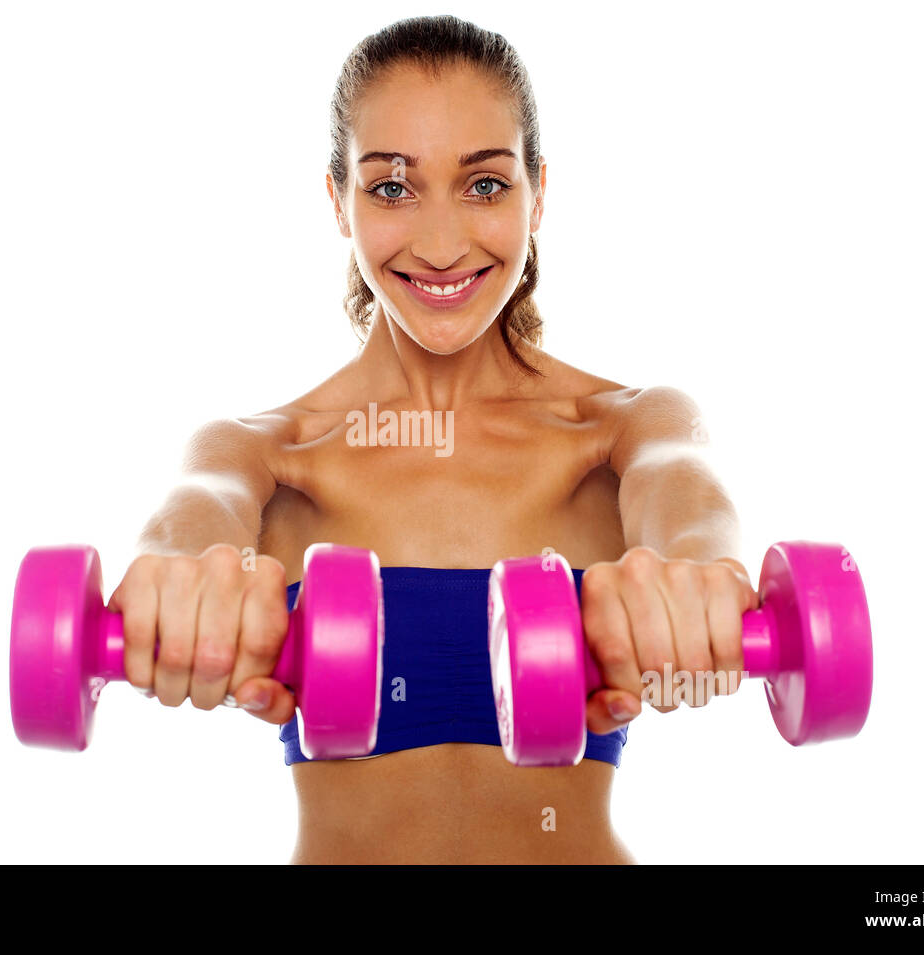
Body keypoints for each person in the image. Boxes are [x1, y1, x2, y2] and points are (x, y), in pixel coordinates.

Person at [107, 15, 758, 864]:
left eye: (485, 185)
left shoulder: (625, 429)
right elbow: (189, 524)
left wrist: (699, 584)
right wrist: (180, 589)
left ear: (539, 192)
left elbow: (693, 510)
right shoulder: (263, 454)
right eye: (392, 187)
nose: (443, 243)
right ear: (338, 200)